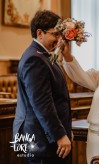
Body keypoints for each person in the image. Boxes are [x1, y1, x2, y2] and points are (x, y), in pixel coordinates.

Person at [13, 10, 72, 164]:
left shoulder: (44, 54)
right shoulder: (34, 58)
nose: (59, 40)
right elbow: (42, 103)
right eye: (55, 34)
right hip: (43, 141)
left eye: (60, 35)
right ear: (40, 33)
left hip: (48, 139)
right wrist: (59, 135)